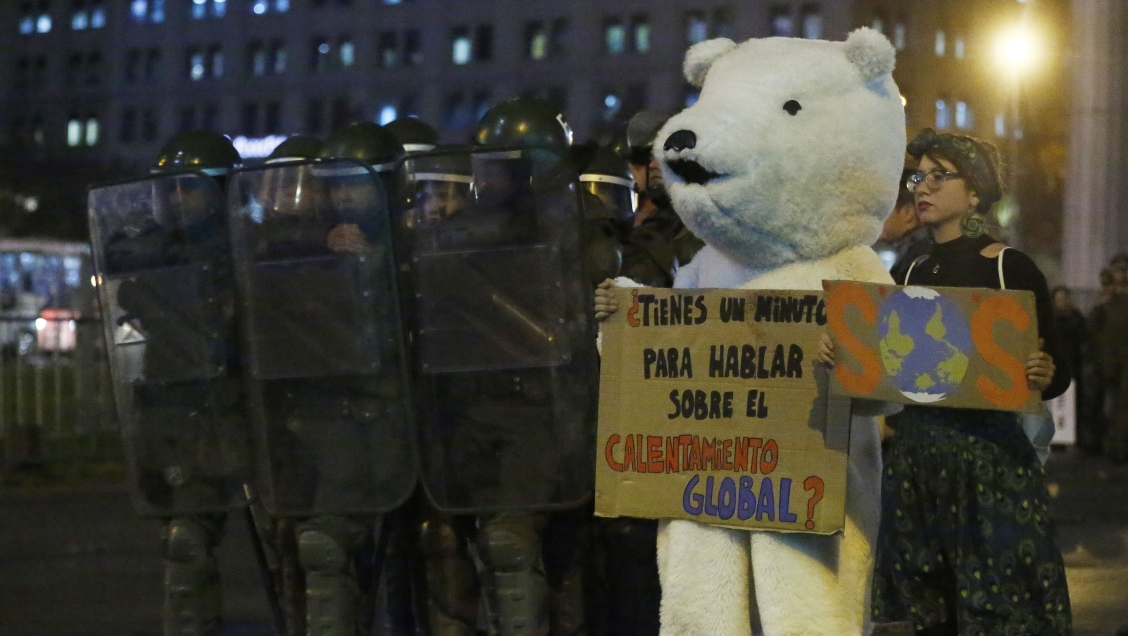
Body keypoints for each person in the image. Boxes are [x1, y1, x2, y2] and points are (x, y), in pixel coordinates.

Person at [828, 128, 1072, 635]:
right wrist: (843, 349)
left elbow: (1055, 372)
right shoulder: (913, 269)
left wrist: (1044, 372)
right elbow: (886, 362)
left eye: (940, 176)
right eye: (918, 176)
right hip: (919, 464)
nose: (923, 186)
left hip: (989, 467)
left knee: (997, 611)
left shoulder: (1011, 267)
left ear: (976, 192)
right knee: (927, 608)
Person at [90, 131, 254, 636]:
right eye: (171, 191)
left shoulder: (254, 246)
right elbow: (121, 277)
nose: (178, 201)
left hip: (262, 411)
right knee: (185, 542)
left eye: (191, 190)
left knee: (306, 550)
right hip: (184, 412)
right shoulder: (151, 253)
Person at [617, 110, 704, 287]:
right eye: (642, 158)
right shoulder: (612, 219)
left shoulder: (691, 224)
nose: (655, 165)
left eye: (663, 157)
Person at [873, 168, 931, 283]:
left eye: (882, 211)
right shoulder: (912, 251)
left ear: (907, 213)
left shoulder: (917, 258)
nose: (875, 220)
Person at [1052, 286, 1087, 451]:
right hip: (1057, 368)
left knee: (1075, 404)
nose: (1063, 303)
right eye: (1059, 299)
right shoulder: (1051, 319)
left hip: (1074, 367)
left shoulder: (1076, 318)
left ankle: (1075, 437)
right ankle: (1059, 438)